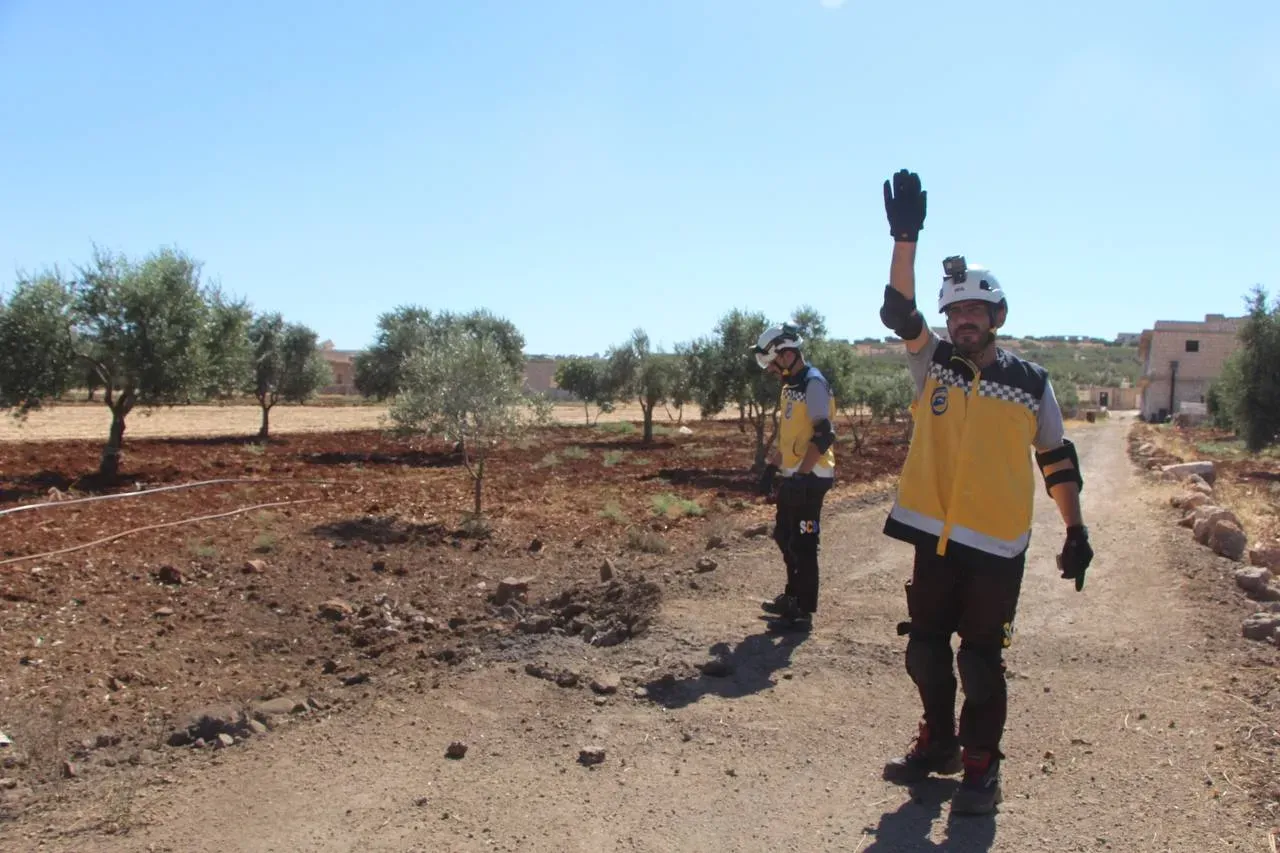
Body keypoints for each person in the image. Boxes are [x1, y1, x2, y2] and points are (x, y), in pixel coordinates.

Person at [875, 169, 1095, 815]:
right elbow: (897, 310)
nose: (965, 319)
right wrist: (905, 237)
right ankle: (938, 742)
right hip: (933, 534)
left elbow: (1055, 455)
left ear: (997, 316)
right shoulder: (931, 360)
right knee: (923, 650)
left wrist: (1076, 529)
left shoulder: (1031, 380)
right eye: (956, 310)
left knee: (979, 662)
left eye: (976, 310)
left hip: (997, 543)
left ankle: (980, 764)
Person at [751, 324, 837, 633]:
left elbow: (823, 435)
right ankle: (791, 596)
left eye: (773, 362)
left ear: (787, 354)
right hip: (795, 476)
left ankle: (803, 609)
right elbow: (791, 437)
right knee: (784, 536)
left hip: (812, 478)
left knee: (804, 541)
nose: (771, 370)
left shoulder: (814, 384)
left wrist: (800, 477)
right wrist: (772, 468)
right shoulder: (790, 387)